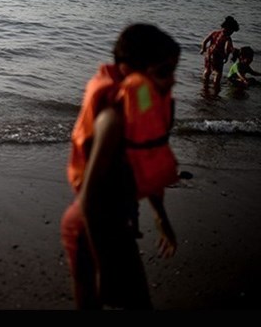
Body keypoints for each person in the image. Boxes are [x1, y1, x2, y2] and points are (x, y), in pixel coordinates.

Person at [61, 23, 181, 309]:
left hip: (120, 220)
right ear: (128, 71)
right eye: (163, 72)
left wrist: (161, 217)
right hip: (88, 227)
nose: (172, 81)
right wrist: (105, 266)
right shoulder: (112, 120)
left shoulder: (148, 113)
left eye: (173, 71)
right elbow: (89, 198)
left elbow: (146, 165)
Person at [200, 16, 239, 90]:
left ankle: (205, 82)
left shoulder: (214, 33)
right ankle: (215, 85)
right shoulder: (227, 38)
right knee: (218, 72)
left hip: (208, 54)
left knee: (207, 69)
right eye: (232, 31)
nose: (232, 33)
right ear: (229, 29)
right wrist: (226, 56)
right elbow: (226, 48)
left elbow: (205, 41)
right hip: (217, 56)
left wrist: (203, 49)